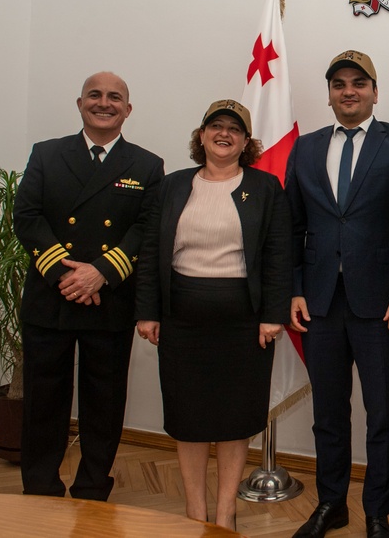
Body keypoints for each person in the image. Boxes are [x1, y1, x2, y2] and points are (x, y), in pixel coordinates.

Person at [134, 100, 292, 531]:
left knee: (235, 418)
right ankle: (194, 513)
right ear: (201, 136)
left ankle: (225, 514)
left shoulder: (264, 188)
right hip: (181, 320)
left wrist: (272, 314)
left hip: (245, 323)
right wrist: (147, 311)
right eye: (215, 126)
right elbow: (151, 253)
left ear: (246, 142)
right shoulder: (171, 186)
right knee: (189, 419)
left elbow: (280, 254)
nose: (224, 134)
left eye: (234, 129)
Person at [285, 50, 389, 538]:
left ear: (374, 91)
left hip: (383, 304)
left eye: (359, 83)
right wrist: (296, 289)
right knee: (329, 413)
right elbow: (293, 227)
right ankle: (331, 505)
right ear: (329, 93)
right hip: (320, 303)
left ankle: (378, 513)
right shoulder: (305, 148)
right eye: (339, 83)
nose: (349, 91)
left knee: (383, 415)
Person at [13, 71, 164, 500]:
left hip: (109, 297)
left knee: (104, 403)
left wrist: (101, 271)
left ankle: (93, 486)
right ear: (79, 104)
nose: (104, 102)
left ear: (128, 109)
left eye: (115, 97)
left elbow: (146, 228)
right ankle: (40, 487)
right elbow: (27, 217)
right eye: (94, 95)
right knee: (44, 402)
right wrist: (68, 275)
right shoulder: (47, 154)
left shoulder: (146, 165)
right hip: (51, 296)